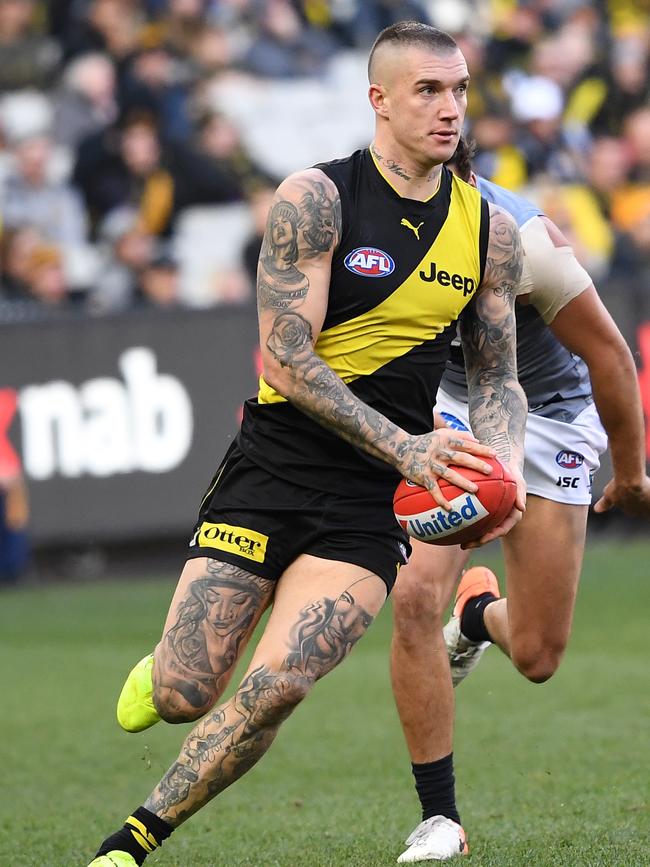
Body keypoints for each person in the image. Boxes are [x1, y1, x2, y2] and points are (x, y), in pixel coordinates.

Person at [87, 23, 528, 866]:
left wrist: (498, 467)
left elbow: (499, 375)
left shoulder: (488, 230)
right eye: (428, 92)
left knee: (278, 684)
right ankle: (165, 668)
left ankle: (133, 839)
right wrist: (407, 447)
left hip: (371, 502)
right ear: (380, 101)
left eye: (461, 90)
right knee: (186, 692)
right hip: (278, 464)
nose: (449, 110)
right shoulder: (315, 198)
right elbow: (287, 361)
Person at [391, 136, 650, 863]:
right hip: (451, 403)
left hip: (550, 411)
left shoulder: (524, 239)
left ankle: (477, 612)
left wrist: (628, 477)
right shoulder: (375, 224)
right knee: (412, 597)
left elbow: (609, 355)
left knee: (537, 654)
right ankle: (438, 818)